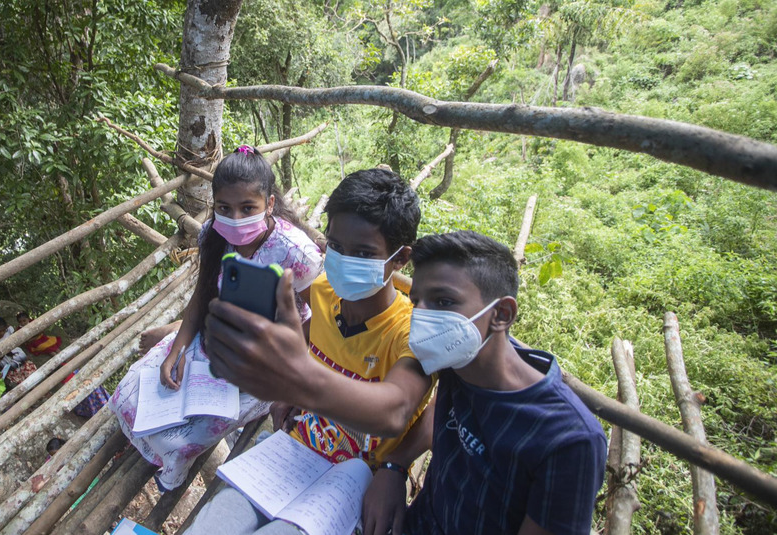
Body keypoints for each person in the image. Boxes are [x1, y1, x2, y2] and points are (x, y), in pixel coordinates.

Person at [201, 231, 608, 535]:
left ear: (500, 315)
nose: (424, 316)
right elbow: (432, 414)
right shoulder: (458, 361)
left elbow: (394, 411)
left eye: (445, 303)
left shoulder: (568, 441)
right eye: (419, 301)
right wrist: (395, 466)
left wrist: (296, 378)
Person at [187, 168, 434, 534]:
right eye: (335, 246)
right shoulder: (322, 294)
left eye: (364, 253)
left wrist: (297, 384)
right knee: (213, 524)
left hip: (356, 474)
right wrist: (287, 392)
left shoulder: (413, 332)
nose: (344, 259)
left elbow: (395, 411)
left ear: (400, 259)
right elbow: (307, 342)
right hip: (295, 448)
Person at [108, 145, 323, 491]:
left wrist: (295, 377)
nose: (235, 219)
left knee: (178, 443)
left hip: (267, 362)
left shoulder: (297, 253)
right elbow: (201, 296)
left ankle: (172, 471)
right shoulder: (214, 234)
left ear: (269, 204)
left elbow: (316, 322)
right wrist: (177, 349)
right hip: (213, 340)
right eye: (225, 208)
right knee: (126, 395)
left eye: (247, 208)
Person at [0, 317, 36, 386]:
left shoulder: (9, 331)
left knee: (32, 375)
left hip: (19, 356)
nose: (1, 333)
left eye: (3, 330)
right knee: (22, 381)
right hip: (7, 362)